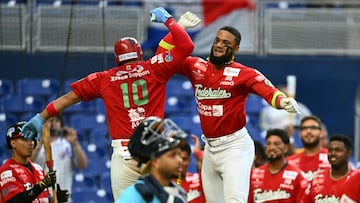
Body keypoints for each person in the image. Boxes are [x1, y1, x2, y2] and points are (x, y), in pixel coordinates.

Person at [20, 7, 199, 200]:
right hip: (154, 153)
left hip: (123, 154)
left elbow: (66, 99)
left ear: (117, 59)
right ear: (139, 54)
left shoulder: (104, 78)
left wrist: (41, 117)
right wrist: (171, 22)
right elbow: (185, 45)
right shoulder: (153, 68)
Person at [156, 25, 300, 202]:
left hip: (235, 147)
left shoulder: (243, 73)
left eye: (225, 43)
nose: (219, 45)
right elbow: (162, 58)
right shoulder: (195, 66)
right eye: (217, 40)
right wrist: (177, 28)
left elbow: (268, 90)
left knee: (234, 200)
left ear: (236, 49)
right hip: (210, 148)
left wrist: (282, 101)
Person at [116, 116, 188, 202]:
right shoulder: (134, 196)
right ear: (155, 161)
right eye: (172, 155)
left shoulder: (179, 192)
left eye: (179, 154)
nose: (180, 160)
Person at [0, 121, 69, 203]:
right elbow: (15, 201)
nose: (31, 143)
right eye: (25, 139)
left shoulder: (38, 168)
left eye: (32, 139)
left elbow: (43, 198)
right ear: (13, 143)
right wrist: (41, 186)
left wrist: (56, 198)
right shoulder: (7, 170)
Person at [30, 115, 88, 202]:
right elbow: (27, 163)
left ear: (61, 124)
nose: (53, 124)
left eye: (57, 121)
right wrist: (41, 141)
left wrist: (75, 143)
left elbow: (83, 165)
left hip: (63, 198)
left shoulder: (67, 144)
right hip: (43, 198)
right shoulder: (36, 145)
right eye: (50, 121)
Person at [248, 128, 309, 203]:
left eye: (276, 144)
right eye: (268, 143)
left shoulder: (297, 176)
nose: (271, 147)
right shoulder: (254, 175)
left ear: (286, 148)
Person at [306, 134, 354, 202]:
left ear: (349, 153)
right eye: (330, 150)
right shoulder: (317, 178)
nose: (333, 153)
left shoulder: (356, 180)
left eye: (338, 150)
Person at [286, 115, 331, 181]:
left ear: (321, 132)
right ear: (300, 134)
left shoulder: (333, 157)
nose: (308, 131)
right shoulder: (289, 162)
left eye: (313, 128)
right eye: (304, 128)